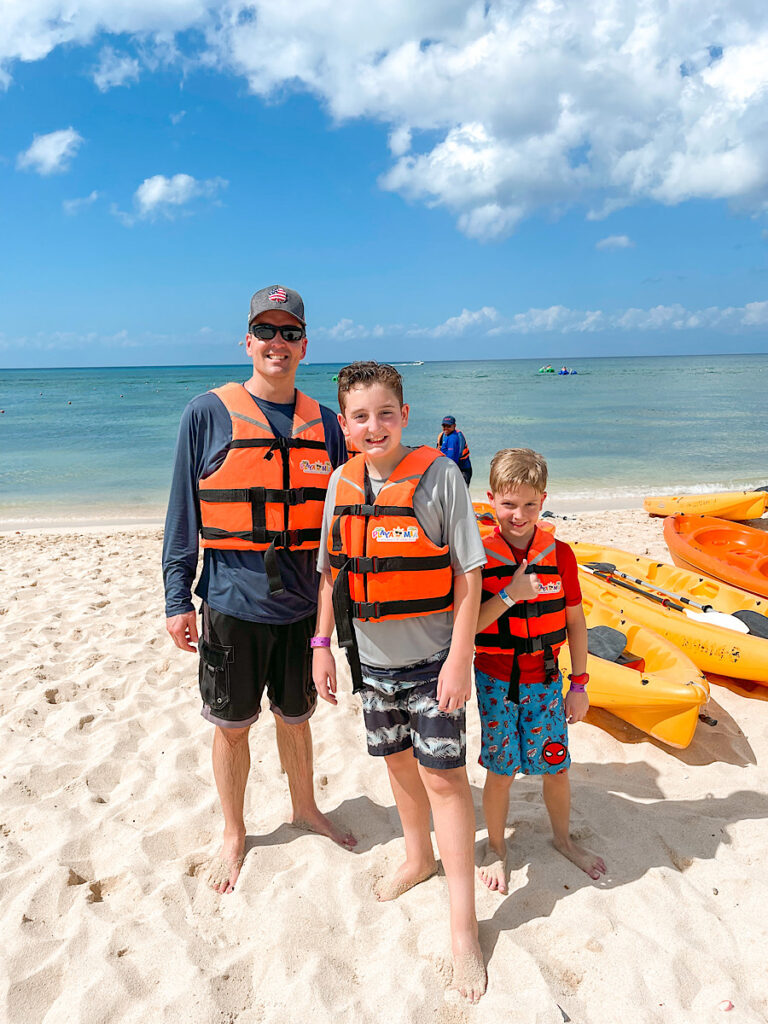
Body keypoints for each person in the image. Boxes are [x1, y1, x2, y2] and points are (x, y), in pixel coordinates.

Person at [163, 285, 356, 897]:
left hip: (302, 609)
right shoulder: (207, 413)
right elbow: (182, 515)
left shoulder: (327, 424)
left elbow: (350, 523)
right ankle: (233, 830)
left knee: (296, 719)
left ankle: (305, 808)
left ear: (304, 344)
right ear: (247, 340)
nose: (278, 343)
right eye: (266, 331)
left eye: (290, 332)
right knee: (231, 725)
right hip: (229, 604)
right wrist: (175, 599)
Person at [312, 361, 487, 1003]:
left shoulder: (440, 477)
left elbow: (468, 575)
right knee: (398, 769)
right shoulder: (340, 483)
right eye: (360, 416)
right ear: (344, 423)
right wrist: (322, 645)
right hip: (374, 665)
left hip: (434, 659)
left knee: (444, 778)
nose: (374, 425)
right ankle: (418, 858)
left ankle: (463, 929)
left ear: (404, 416)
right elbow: (330, 573)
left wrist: (458, 657)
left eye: (386, 413)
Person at [473, 448, 606, 895]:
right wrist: (511, 593)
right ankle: (495, 847)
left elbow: (575, 622)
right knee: (501, 769)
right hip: (496, 680)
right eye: (509, 504)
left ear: (544, 500)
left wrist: (580, 684)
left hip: (547, 681)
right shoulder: (477, 555)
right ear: (491, 499)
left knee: (557, 767)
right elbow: (469, 625)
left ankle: (564, 840)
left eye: (530, 504)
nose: (519, 514)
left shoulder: (560, 555)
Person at [436, 415, 472, 486]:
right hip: (449, 469)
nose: (446, 428)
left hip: (463, 470)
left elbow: (456, 454)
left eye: (449, 426)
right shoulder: (441, 436)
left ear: (454, 426)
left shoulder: (458, 437)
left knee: (461, 495)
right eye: (444, 426)